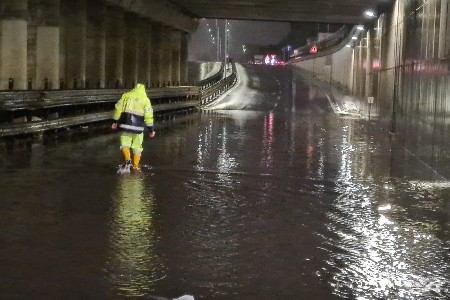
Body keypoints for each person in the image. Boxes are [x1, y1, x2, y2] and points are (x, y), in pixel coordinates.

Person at [112, 83, 156, 172]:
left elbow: (118, 108)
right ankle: (135, 166)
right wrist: (151, 130)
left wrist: (115, 121)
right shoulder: (145, 100)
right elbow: (149, 116)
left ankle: (128, 160)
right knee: (137, 147)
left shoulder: (126, 96)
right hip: (138, 128)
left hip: (125, 125)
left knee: (125, 144)